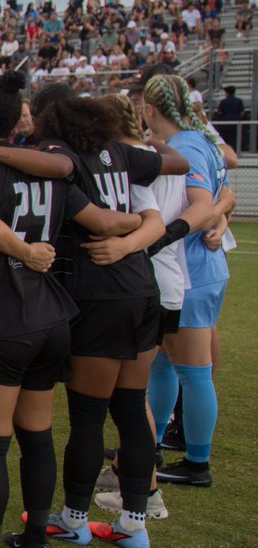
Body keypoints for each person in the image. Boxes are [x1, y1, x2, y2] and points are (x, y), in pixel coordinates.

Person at [0, 74, 140, 548]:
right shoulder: (50, 170)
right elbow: (99, 218)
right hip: (51, 315)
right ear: (18, 121)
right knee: (35, 435)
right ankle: (36, 539)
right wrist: (145, 223)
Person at [27, 85, 186, 548]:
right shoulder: (117, 151)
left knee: (89, 414)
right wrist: (149, 143)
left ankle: (75, 518)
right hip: (142, 286)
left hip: (100, 291)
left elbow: (93, 218)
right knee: (132, 407)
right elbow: (180, 163)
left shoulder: (64, 160)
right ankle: (134, 523)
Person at [143, 75, 231, 490]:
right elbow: (224, 196)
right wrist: (215, 220)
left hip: (191, 271)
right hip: (199, 270)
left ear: (150, 108)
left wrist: (171, 232)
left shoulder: (186, 147)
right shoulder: (202, 141)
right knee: (164, 362)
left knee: (194, 371)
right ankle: (152, 442)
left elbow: (203, 203)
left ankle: (198, 461)